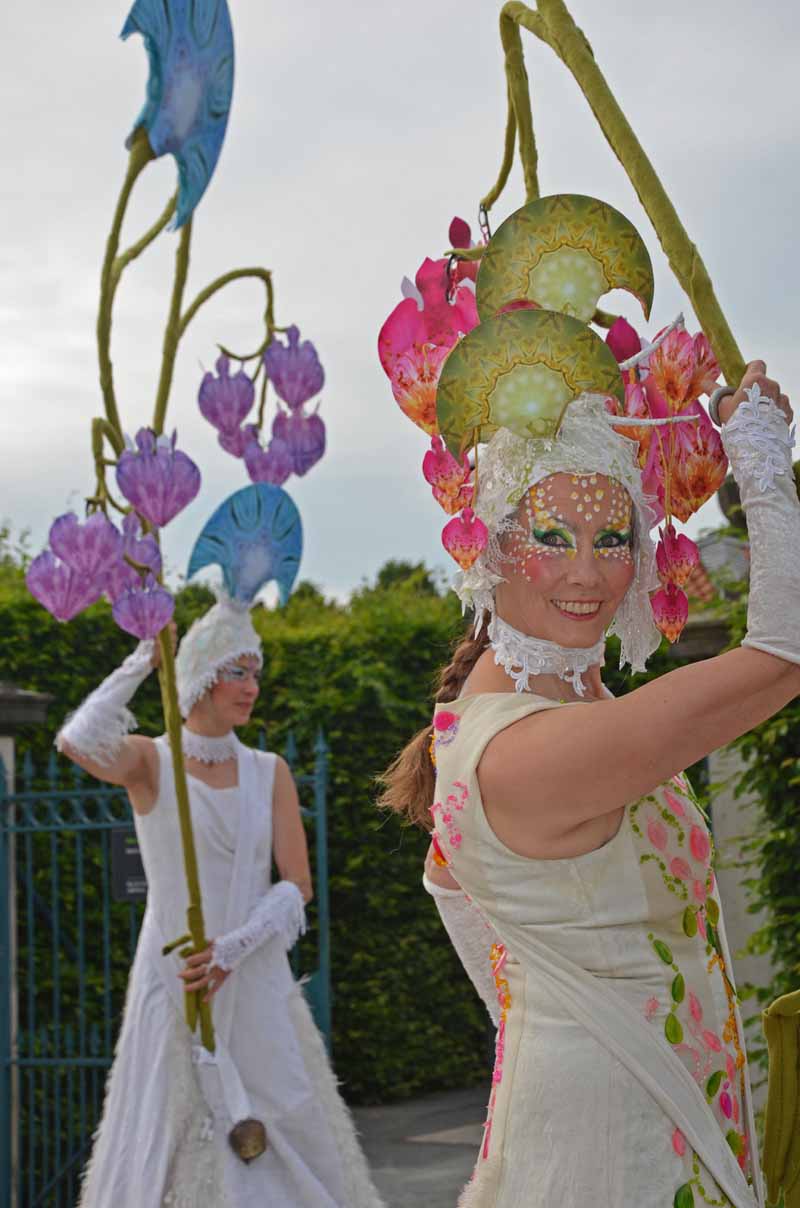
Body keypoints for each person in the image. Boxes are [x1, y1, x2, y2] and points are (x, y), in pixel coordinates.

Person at [381, 360, 798, 1208]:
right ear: (493, 547)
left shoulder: (543, 710)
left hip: (619, 1109)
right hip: (616, 1141)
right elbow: (784, 657)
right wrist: (761, 458)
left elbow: (451, 893)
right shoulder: (532, 746)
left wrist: (548, 1016)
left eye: (613, 539)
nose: (588, 572)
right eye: (551, 537)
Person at [60, 596, 383, 1207]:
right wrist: (142, 660)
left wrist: (234, 949)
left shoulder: (270, 770)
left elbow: (297, 885)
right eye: (237, 671)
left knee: (285, 1116)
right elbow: (78, 741)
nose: (252, 686)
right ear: (201, 678)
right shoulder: (151, 761)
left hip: (253, 972)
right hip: (175, 972)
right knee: (168, 1129)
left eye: (255, 672)